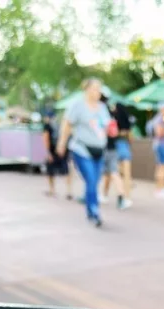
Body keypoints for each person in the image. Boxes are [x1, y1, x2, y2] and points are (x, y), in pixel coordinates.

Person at [56, 78, 111, 226]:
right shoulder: (77, 106)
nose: (98, 92)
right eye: (95, 88)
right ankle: (94, 211)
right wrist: (62, 143)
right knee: (91, 179)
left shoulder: (102, 108)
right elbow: (67, 124)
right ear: (87, 89)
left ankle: (90, 208)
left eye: (100, 89)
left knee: (94, 181)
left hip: (99, 149)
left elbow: (106, 127)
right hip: (81, 148)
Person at [98, 95, 129, 210]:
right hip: (112, 147)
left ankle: (97, 195)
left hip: (102, 148)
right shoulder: (112, 115)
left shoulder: (100, 114)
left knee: (101, 173)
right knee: (112, 173)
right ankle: (116, 195)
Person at [104, 100, 133, 208]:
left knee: (111, 173)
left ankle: (105, 194)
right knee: (126, 174)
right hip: (124, 146)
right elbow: (130, 137)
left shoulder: (112, 119)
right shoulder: (127, 122)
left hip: (114, 147)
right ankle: (127, 197)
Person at [41, 110, 72, 200]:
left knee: (50, 171)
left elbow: (46, 139)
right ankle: (69, 191)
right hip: (63, 150)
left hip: (53, 151)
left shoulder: (47, 126)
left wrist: (48, 153)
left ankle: (52, 190)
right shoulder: (61, 124)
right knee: (66, 171)